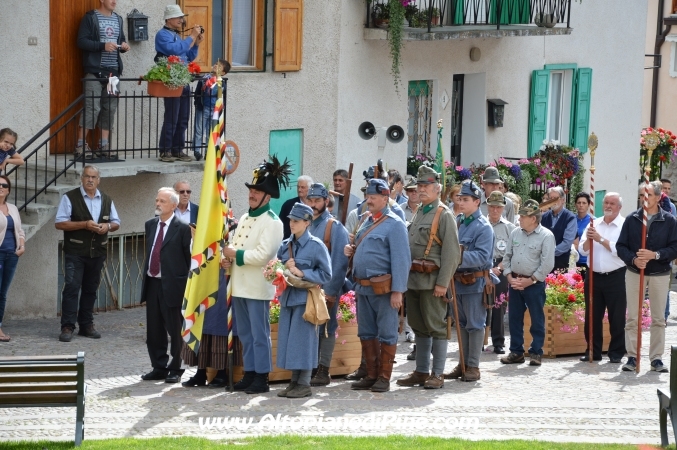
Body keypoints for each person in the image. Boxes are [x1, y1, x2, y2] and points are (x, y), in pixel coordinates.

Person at [222, 156, 288, 394]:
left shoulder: (273, 222)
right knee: (246, 335)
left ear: (267, 197)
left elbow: (262, 255)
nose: (252, 194)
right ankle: (250, 373)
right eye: (252, 189)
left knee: (260, 335)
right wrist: (226, 258)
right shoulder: (246, 218)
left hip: (258, 287)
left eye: (258, 191)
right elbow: (235, 245)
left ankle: (262, 376)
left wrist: (235, 254)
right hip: (240, 285)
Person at [344, 178, 410, 392]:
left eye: (373, 197)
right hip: (363, 287)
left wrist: (398, 291)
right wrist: (351, 250)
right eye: (367, 197)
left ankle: (384, 377)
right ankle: (371, 375)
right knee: (366, 332)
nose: (368, 200)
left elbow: (401, 260)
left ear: (385, 198)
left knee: (387, 333)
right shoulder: (366, 221)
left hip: (384, 290)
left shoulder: (395, 224)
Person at [397, 166, 460, 389]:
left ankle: (438, 373)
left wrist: (443, 283)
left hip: (433, 281)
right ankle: (421, 371)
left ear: (437, 188)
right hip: (414, 280)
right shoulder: (420, 212)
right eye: (419, 186)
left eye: (425, 186)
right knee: (419, 326)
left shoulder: (444, 215)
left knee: (436, 327)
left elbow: (452, 253)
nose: (421, 190)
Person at [616, 181, 677, 372]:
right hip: (635, 273)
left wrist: (655, 255)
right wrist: (634, 259)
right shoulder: (632, 219)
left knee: (659, 318)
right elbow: (621, 246)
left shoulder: (669, 220)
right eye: (643, 195)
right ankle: (632, 356)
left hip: (659, 273)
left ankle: (656, 358)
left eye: (649, 194)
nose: (645, 198)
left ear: (659, 197)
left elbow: (674, 248)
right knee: (633, 317)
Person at [55, 165, 120, 342]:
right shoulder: (70, 197)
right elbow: (60, 223)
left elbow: (116, 222)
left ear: (99, 180)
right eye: (87, 176)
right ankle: (67, 326)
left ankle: (86, 325)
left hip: (98, 252)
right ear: (81, 178)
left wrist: (107, 226)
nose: (90, 180)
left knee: (90, 290)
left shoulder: (106, 199)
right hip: (76, 251)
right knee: (72, 288)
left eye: (94, 177)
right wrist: (84, 224)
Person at [275, 203, 332, 398]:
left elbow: (326, 274)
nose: (292, 224)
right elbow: (276, 271)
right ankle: (294, 382)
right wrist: (283, 267)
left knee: (305, 342)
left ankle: (304, 383)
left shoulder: (316, 246)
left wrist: (302, 272)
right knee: (291, 342)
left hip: (306, 300)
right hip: (289, 298)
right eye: (291, 220)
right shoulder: (285, 245)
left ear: (307, 223)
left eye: (296, 221)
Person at [140, 188, 192, 383]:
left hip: (173, 284)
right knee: (154, 329)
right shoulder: (150, 225)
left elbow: (188, 260)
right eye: (156, 200)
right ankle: (158, 366)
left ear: (173, 205)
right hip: (153, 282)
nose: (157, 204)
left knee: (175, 328)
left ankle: (176, 367)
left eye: (162, 201)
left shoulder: (183, 228)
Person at [444, 181, 494, 382]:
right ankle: (463, 363)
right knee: (462, 324)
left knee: (474, 324)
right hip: (458, 282)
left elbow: (482, 257)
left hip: (474, 282)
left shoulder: (484, 227)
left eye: (465, 199)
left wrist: (453, 258)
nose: (461, 202)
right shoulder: (458, 222)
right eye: (459, 199)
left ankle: (473, 366)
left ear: (477, 201)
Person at [304, 183, 350, 387]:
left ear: (326, 202)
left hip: (326, 288)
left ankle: (323, 369)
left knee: (327, 329)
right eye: (310, 200)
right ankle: (312, 367)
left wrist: (331, 291)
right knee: (310, 328)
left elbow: (340, 263)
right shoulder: (306, 224)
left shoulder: (334, 226)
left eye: (317, 201)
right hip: (307, 288)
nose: (313, 205)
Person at [500, 199, 555, 367]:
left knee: (537, 318)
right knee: (515, 318)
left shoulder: (546, 236)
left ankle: (536, 352)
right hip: (515, 281)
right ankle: (516, 352)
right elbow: (507, 257)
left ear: (533, 219)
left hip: (534, 283)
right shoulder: (516, 233)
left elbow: (547, 264)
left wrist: (530, 281)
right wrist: (509, 276)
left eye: (524, 216)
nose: (520, 219)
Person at [75, 0, 130, 160]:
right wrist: (102, 45)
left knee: (109, 108)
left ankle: (103, 145)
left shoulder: (119, 19)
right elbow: (81, 41)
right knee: (92, 107)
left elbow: (121, 41)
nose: (114, 1)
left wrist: (124, 46)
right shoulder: (90, 17)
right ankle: (80, 145)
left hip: (113, 74)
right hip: (94, 72)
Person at [578, 192, 626, 363]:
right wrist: (589, 240)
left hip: (616, 277)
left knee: (617, 317)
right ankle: (592, 350)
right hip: (594, 276)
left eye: (612, 203)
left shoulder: (624, 225)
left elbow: (621, 251)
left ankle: (616, 352)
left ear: (619, 207)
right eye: (606, 202)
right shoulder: (594, 223)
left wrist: (599, 239)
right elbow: (582, 251)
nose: (608, 206)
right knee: (592, 316)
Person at [155, 5, 203, 163]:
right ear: (169, 19)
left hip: (182, 80)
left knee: (183, 117)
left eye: (182, 18)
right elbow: (173, 50)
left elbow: (187, 57)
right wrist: (191, 37)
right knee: (171, 117)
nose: (182, 20)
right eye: (178, 17)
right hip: (171, 82)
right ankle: (165, 150)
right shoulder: (162, 35)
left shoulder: (177, 36)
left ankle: (177, 149)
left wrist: (195, 43)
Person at [485, 191, 516, 355]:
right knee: (478, 303)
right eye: (492, 206)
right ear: (487, 207)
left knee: (499, 304)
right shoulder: (481, 224)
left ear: (503, 208)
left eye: (498, 207)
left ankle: (498, 342)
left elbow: (511, 252)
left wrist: (500, 268)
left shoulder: (510, 228)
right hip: (482, 265)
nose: (495, 210)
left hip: (501, 265)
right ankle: (477, 339)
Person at [0, 176, 25, 342]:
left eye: (4, 185)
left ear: (8, 190)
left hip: (12, 255)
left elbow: (20, 230)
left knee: (2, 293)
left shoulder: (12, 208)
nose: (0, 187)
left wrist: (21, 247)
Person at [192, 59, 231, 161]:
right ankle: (197, 151)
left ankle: (207, 152)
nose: (215, 66)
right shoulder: (204, 79)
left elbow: (222, 97)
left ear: (223, 73)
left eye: (219, 66)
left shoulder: (221, 83)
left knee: (211, 131)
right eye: (215, 64)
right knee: (199, 130)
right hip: (203, 107)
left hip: (214, 110)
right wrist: (197, 103)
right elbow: (197, 93)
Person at [541, 186, 577, 272]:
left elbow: (567, 243)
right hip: (543, 264)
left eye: (555, 198)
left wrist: (548, 253)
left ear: (563, 200)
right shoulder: (544, 217)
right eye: (550, 198)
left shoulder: (570, 217)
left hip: (561, 263)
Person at [574, 192, 594, 277]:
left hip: (586, 262)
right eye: (579, 203)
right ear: (575, 205)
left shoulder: (594, 221)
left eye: (584, 203)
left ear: (589, 205)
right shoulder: (571, 220)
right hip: (573, 261)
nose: (581, 205)